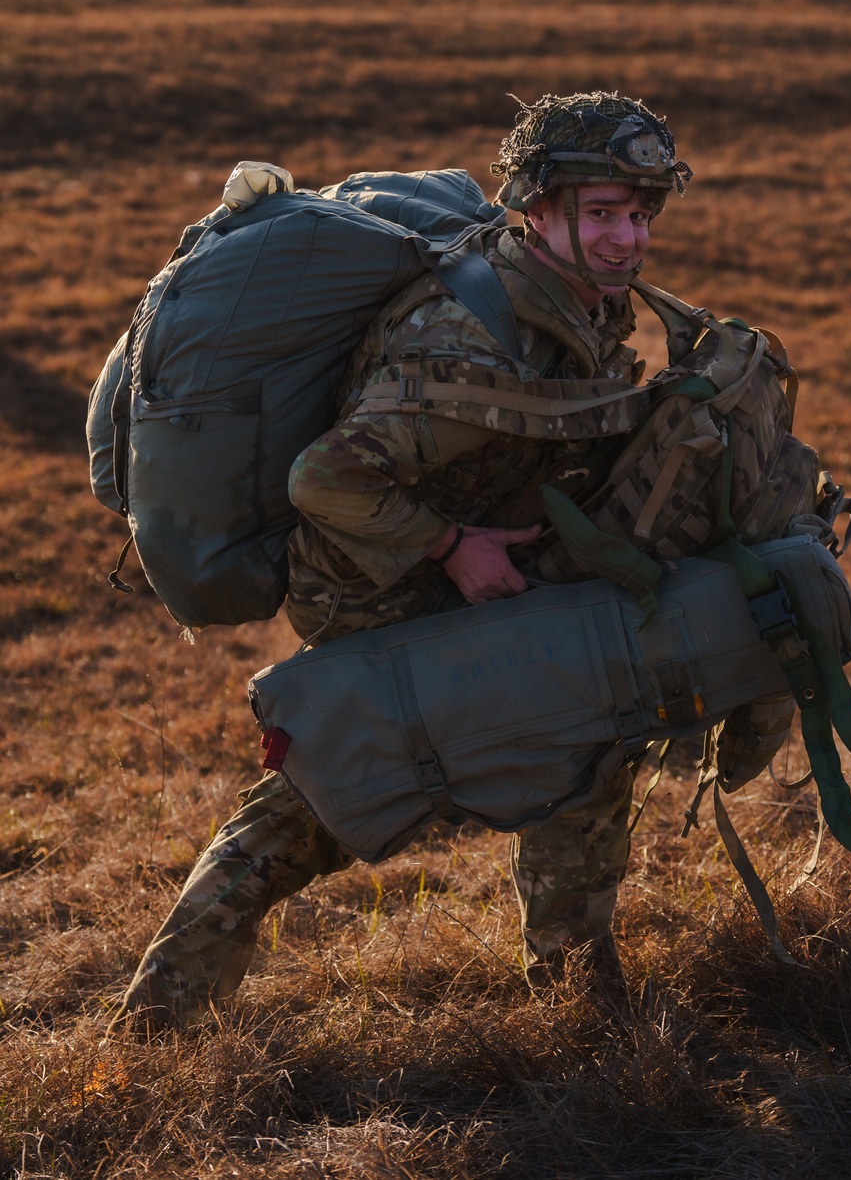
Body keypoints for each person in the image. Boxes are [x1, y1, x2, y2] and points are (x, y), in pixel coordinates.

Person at [114, 91, 694, 1031]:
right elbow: (324, 478)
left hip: (447, 559)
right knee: (321, 804)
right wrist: (452, 547)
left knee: (582, 739)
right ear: (536, 210)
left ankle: (580, 1006)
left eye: (639, 214)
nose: (627, 237)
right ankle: (156, 1027)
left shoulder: (574, 297)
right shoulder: (468, 333)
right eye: (601, 214)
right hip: (372, 584)